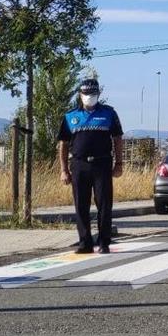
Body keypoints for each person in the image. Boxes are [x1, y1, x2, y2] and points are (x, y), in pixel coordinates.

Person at [57, 78, 124, 254]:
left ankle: (104, 242)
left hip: (102, 163)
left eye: (93, 94)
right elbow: (63, 144)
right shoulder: (70, 116)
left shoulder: (109, 114)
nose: (89, 97)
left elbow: (117, 139)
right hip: (79, 164)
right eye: (86, 94)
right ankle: (85, 242)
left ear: (98, 95)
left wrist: (119, 163)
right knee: (81, 205)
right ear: (80, 95)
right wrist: (64, 170)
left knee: (104, 204)